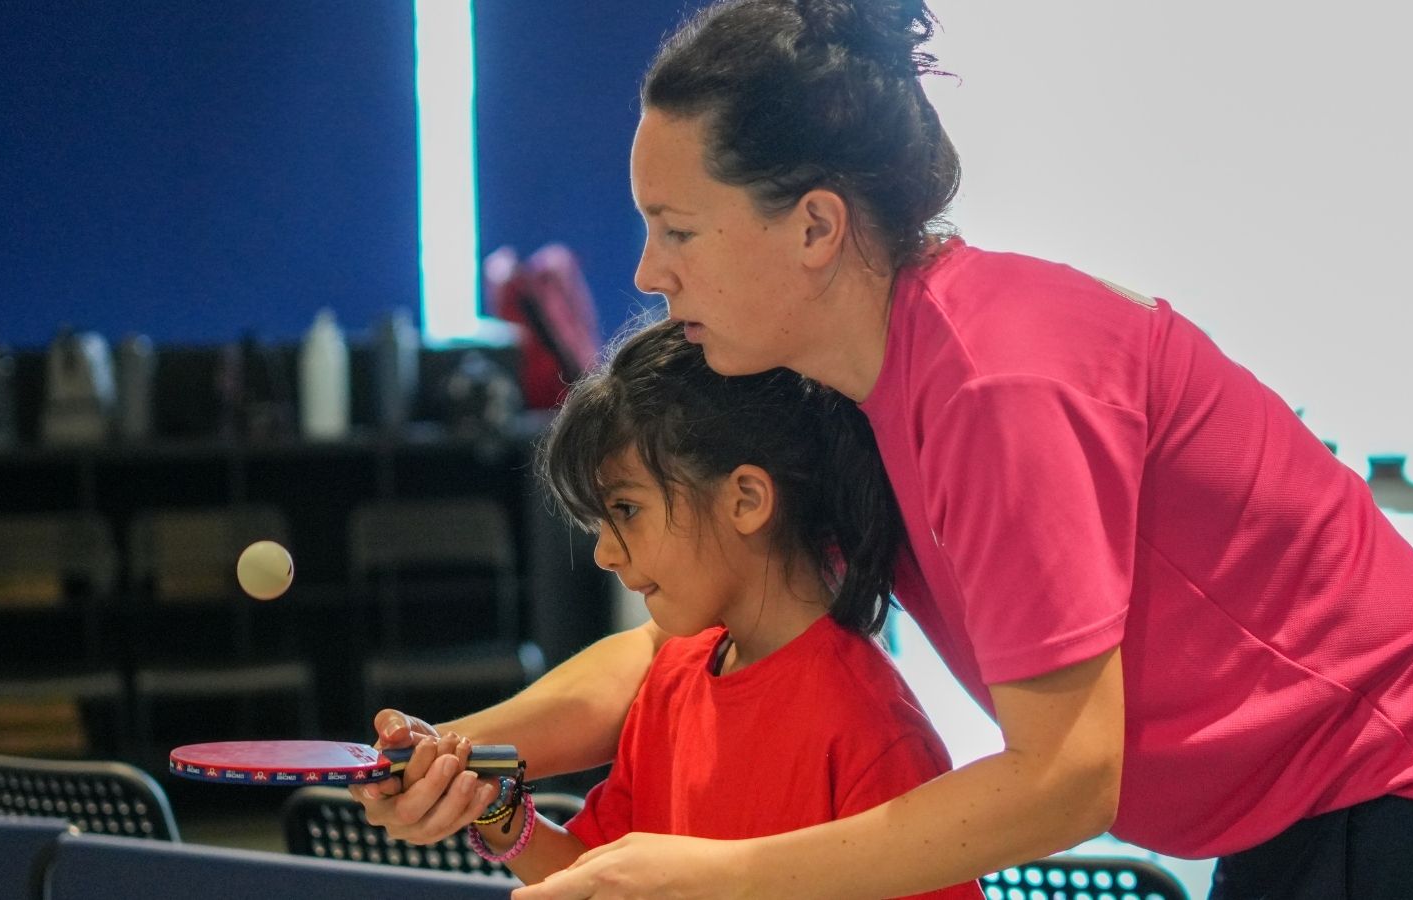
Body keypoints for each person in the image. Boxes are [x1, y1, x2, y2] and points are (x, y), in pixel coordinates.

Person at [355, 1, 1413, 896]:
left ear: (815, 225)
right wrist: (471, 752)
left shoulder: (998, 373)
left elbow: (1059, 782)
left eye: (677, 228)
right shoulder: (846, 387)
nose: (643, 273)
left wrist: (691, 879)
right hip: (1283, 830)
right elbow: (699, 628)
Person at [360, 318, 981, 897]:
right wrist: (499, 811)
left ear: (746, 499)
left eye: (626, 510)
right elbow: (610, 880)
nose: (604, 552)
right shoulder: (675, 675)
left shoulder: (875, 737)